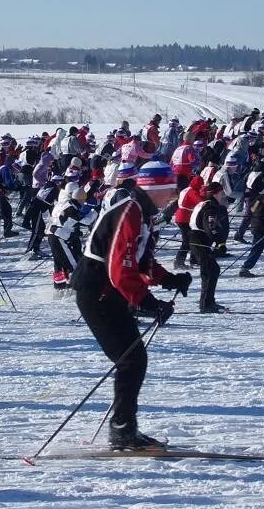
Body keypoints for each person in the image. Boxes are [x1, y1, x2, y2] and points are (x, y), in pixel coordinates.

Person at [70, 160, 190, 449]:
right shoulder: (131, 211)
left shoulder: (141, 211)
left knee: (132, 359)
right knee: (131, 359)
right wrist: (146, 301)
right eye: (169, 190)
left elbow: (140, 258)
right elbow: (119, 268)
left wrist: (169, 279)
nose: (172, 196)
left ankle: (124, 427)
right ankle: (122, 430)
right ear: (154, 188)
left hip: (106, 289)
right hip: (97, 289)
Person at [188, 181, 228, 313]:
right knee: (209, 271)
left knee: (213, 269)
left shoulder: (204, 202)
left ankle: (209, 301)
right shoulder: (210, 207)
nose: (222, 195)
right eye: (221, 192)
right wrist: (219, 242)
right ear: (216, 193)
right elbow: (210, 227)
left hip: (197, 237)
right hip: (199, 239)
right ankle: (205, 304)